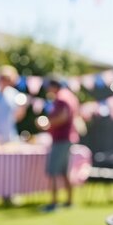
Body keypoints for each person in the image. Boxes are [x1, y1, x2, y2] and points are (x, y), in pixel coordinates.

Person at [39, 78, 75, 211]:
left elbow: (63, 117)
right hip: (66, 139)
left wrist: (47, 124)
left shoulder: (61, 98)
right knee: (64, 172)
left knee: (53, 171)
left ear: (54, 86)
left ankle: (53, 202)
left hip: (61, 139)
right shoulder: (69, 96)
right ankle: (69, 201)